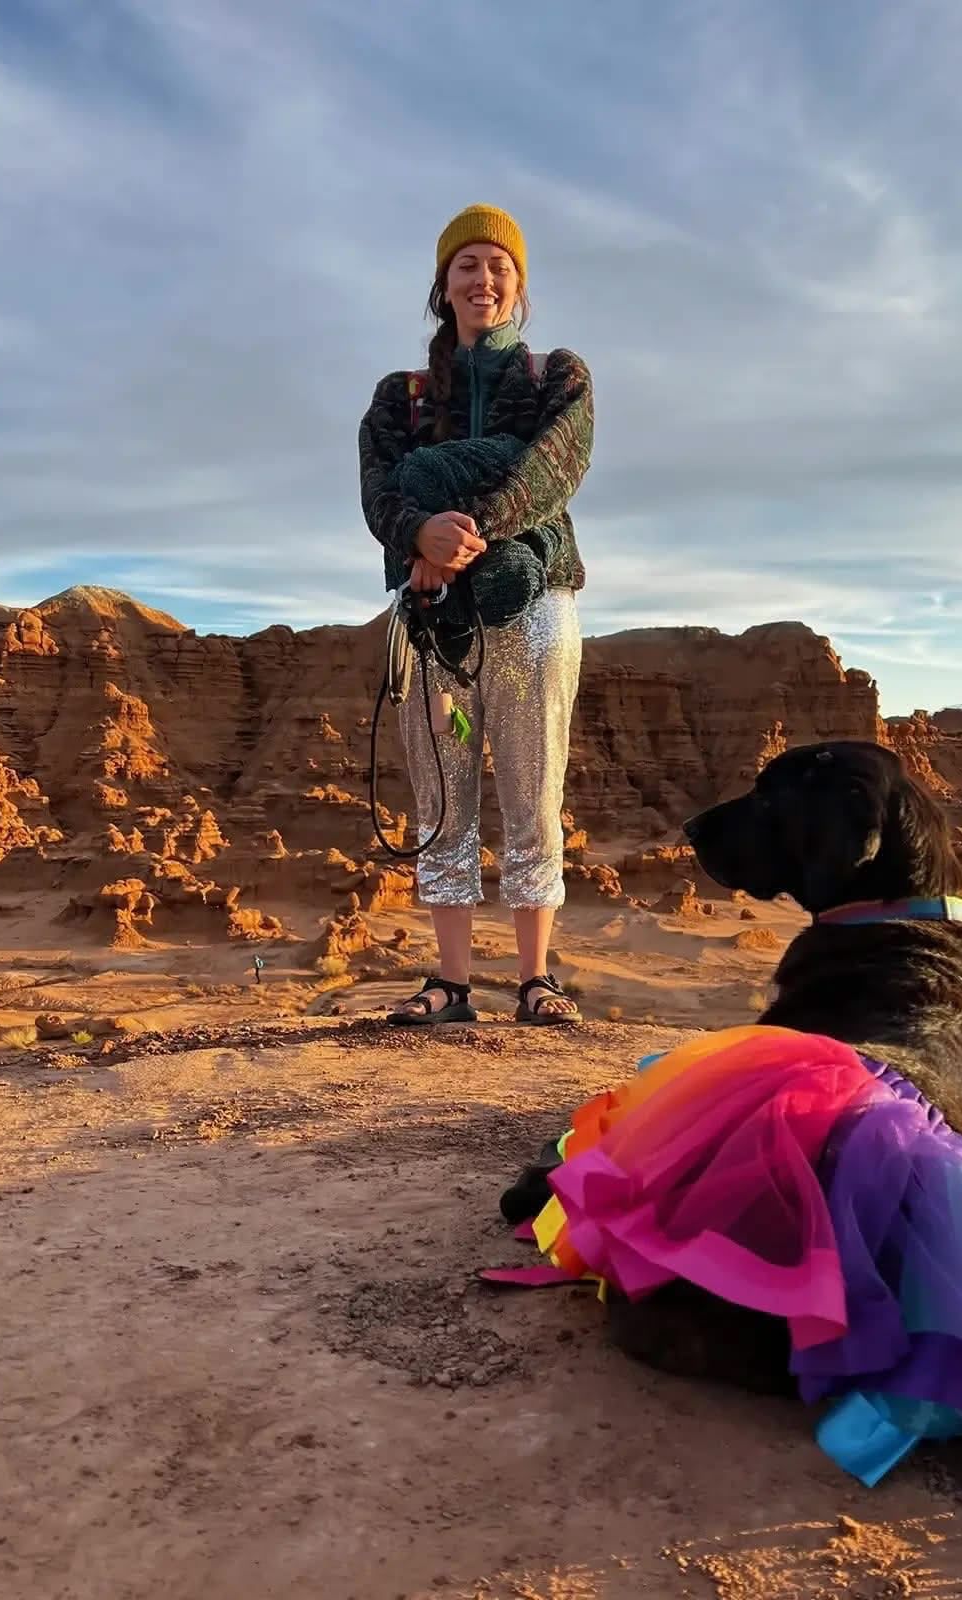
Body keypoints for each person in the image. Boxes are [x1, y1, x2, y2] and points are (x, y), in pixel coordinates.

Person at [359, 204, 593, 1026]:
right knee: (443, 794)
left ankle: (535, 979)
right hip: (432, 612)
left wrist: (463, 531)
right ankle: (451, 982)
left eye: (499, 265)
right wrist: (415, 535)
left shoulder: (555, 377)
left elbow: (555, 466)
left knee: (533, 790)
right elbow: (378, 483)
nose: (482, 278)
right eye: (467, 265)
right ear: (442, 283)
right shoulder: (401, 395)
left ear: (517, 285)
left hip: (535, 605)